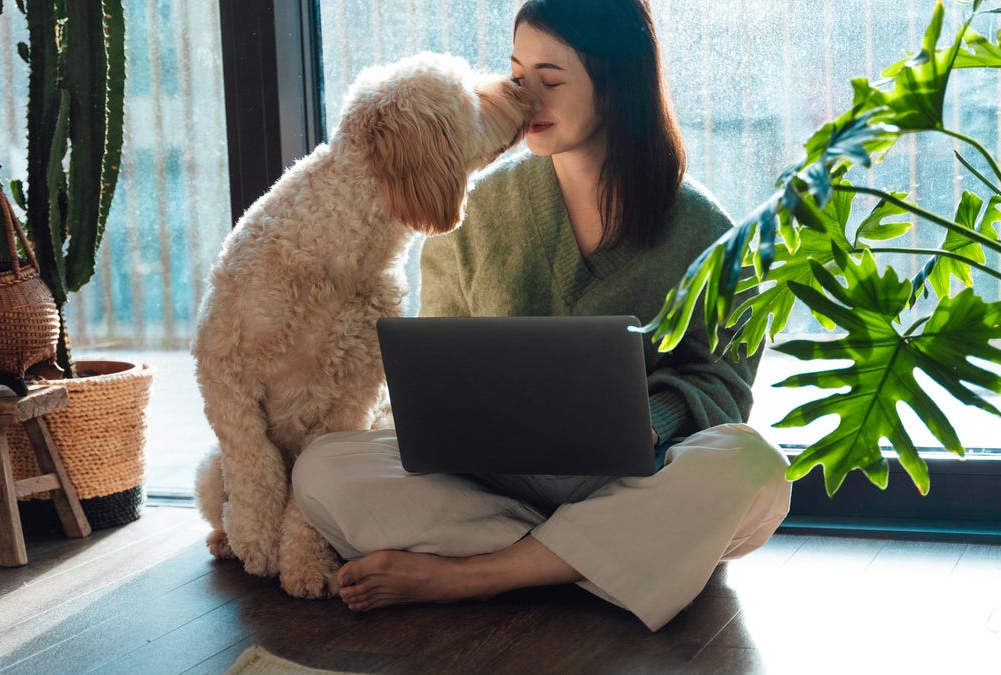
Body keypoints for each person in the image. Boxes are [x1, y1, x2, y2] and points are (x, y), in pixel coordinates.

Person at [291, 0, 791, 631]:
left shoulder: (706, 230)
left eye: (552, 79)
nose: (527, 98)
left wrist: (652, 420)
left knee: (755, 469)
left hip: (629, 478)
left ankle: (475, 575)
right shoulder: (473, 210)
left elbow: (724, 383)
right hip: (493, 482)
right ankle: (599, 558)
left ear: (617, 84)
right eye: (518, 76)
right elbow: (438, 368)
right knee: (323, 469)